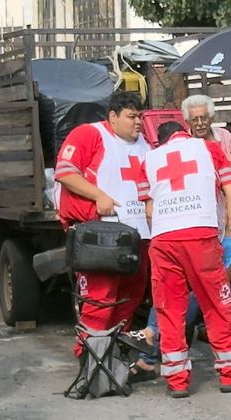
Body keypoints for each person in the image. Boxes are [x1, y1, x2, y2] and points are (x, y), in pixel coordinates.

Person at [126, 122, 231, 383]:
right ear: (185, 134)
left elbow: (150, 212)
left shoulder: (150, 160)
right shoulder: (209, 149)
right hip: (201, 235)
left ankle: (176, 381)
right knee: (216, 304)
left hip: (164, 240)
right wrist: (229, 237)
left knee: (169, 309)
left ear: (160, 142)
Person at [54, 91, 152, 359]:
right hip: (100, 237)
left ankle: (114, 353)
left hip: (138, 235)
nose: (138, 123)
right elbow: (65, 172)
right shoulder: (89, 134)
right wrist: (98, 196)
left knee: (131, 297)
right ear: (112, 116)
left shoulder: (146, 143)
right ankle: (89, 357)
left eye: (140, 117)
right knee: (100, 299)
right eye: (131, 116)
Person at [181, 94, 231, 181]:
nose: (200, 123)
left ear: (211, 118)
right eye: (194, 119)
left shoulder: (224, 136)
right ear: (187, 121)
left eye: (204, 118)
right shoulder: (183, 143)